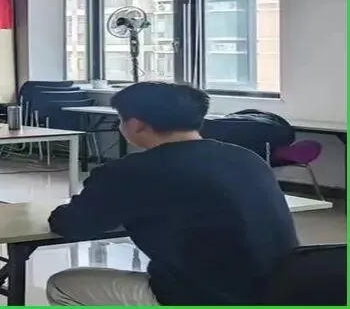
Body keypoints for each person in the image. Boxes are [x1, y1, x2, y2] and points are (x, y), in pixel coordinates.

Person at [45, 82, 299, 306]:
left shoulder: (130, 172)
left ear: (135, 124)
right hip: (283, 291)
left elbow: (71, 225)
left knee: (62, 284)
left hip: (206, 298)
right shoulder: (246, 157)